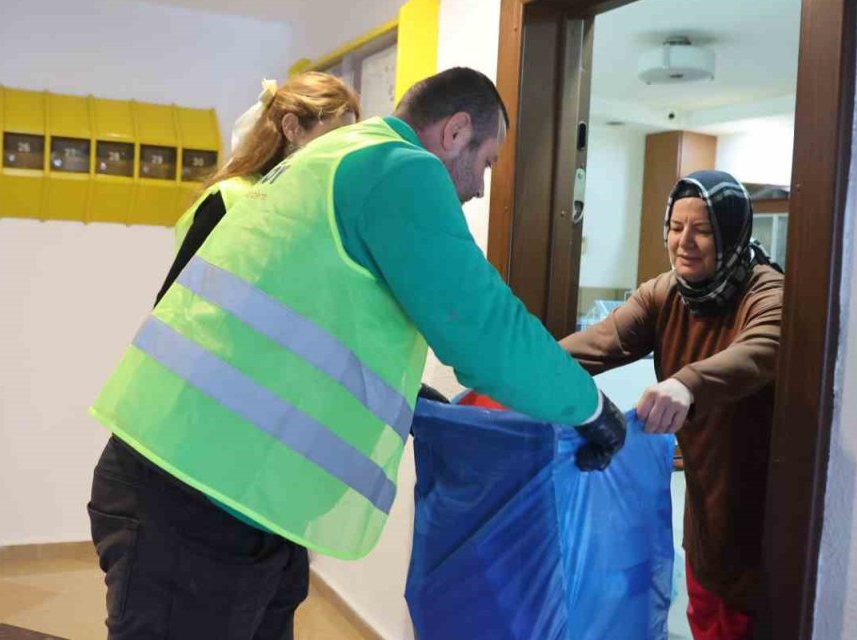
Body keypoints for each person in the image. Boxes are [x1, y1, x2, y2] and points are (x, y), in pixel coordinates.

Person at [86, 67, 629, 640]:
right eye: (487, 162)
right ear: (455, 132)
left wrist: (401, 392)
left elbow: (312, 311)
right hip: (194, 499)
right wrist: (590, 407)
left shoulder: (338, 157)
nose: (480, 188)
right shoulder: (399, 169)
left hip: (226, 487)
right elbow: (484, 329)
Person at [559, 170, 784, 640]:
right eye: (676, 227)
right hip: (704, 506)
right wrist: (510, 375)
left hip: (764, 510)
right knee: (704, 618)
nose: (685, 242)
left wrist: (687, 383)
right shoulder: (665, 294)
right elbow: (596, 345)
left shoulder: (767, 292)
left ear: (732, 233)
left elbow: (767, 344)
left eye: (702, 230)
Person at [156, 72, 361, 304]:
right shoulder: (230, 198)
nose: (338, 155)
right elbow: (172, 304)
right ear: (292, 127)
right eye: (330, 142)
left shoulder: (315, 210)